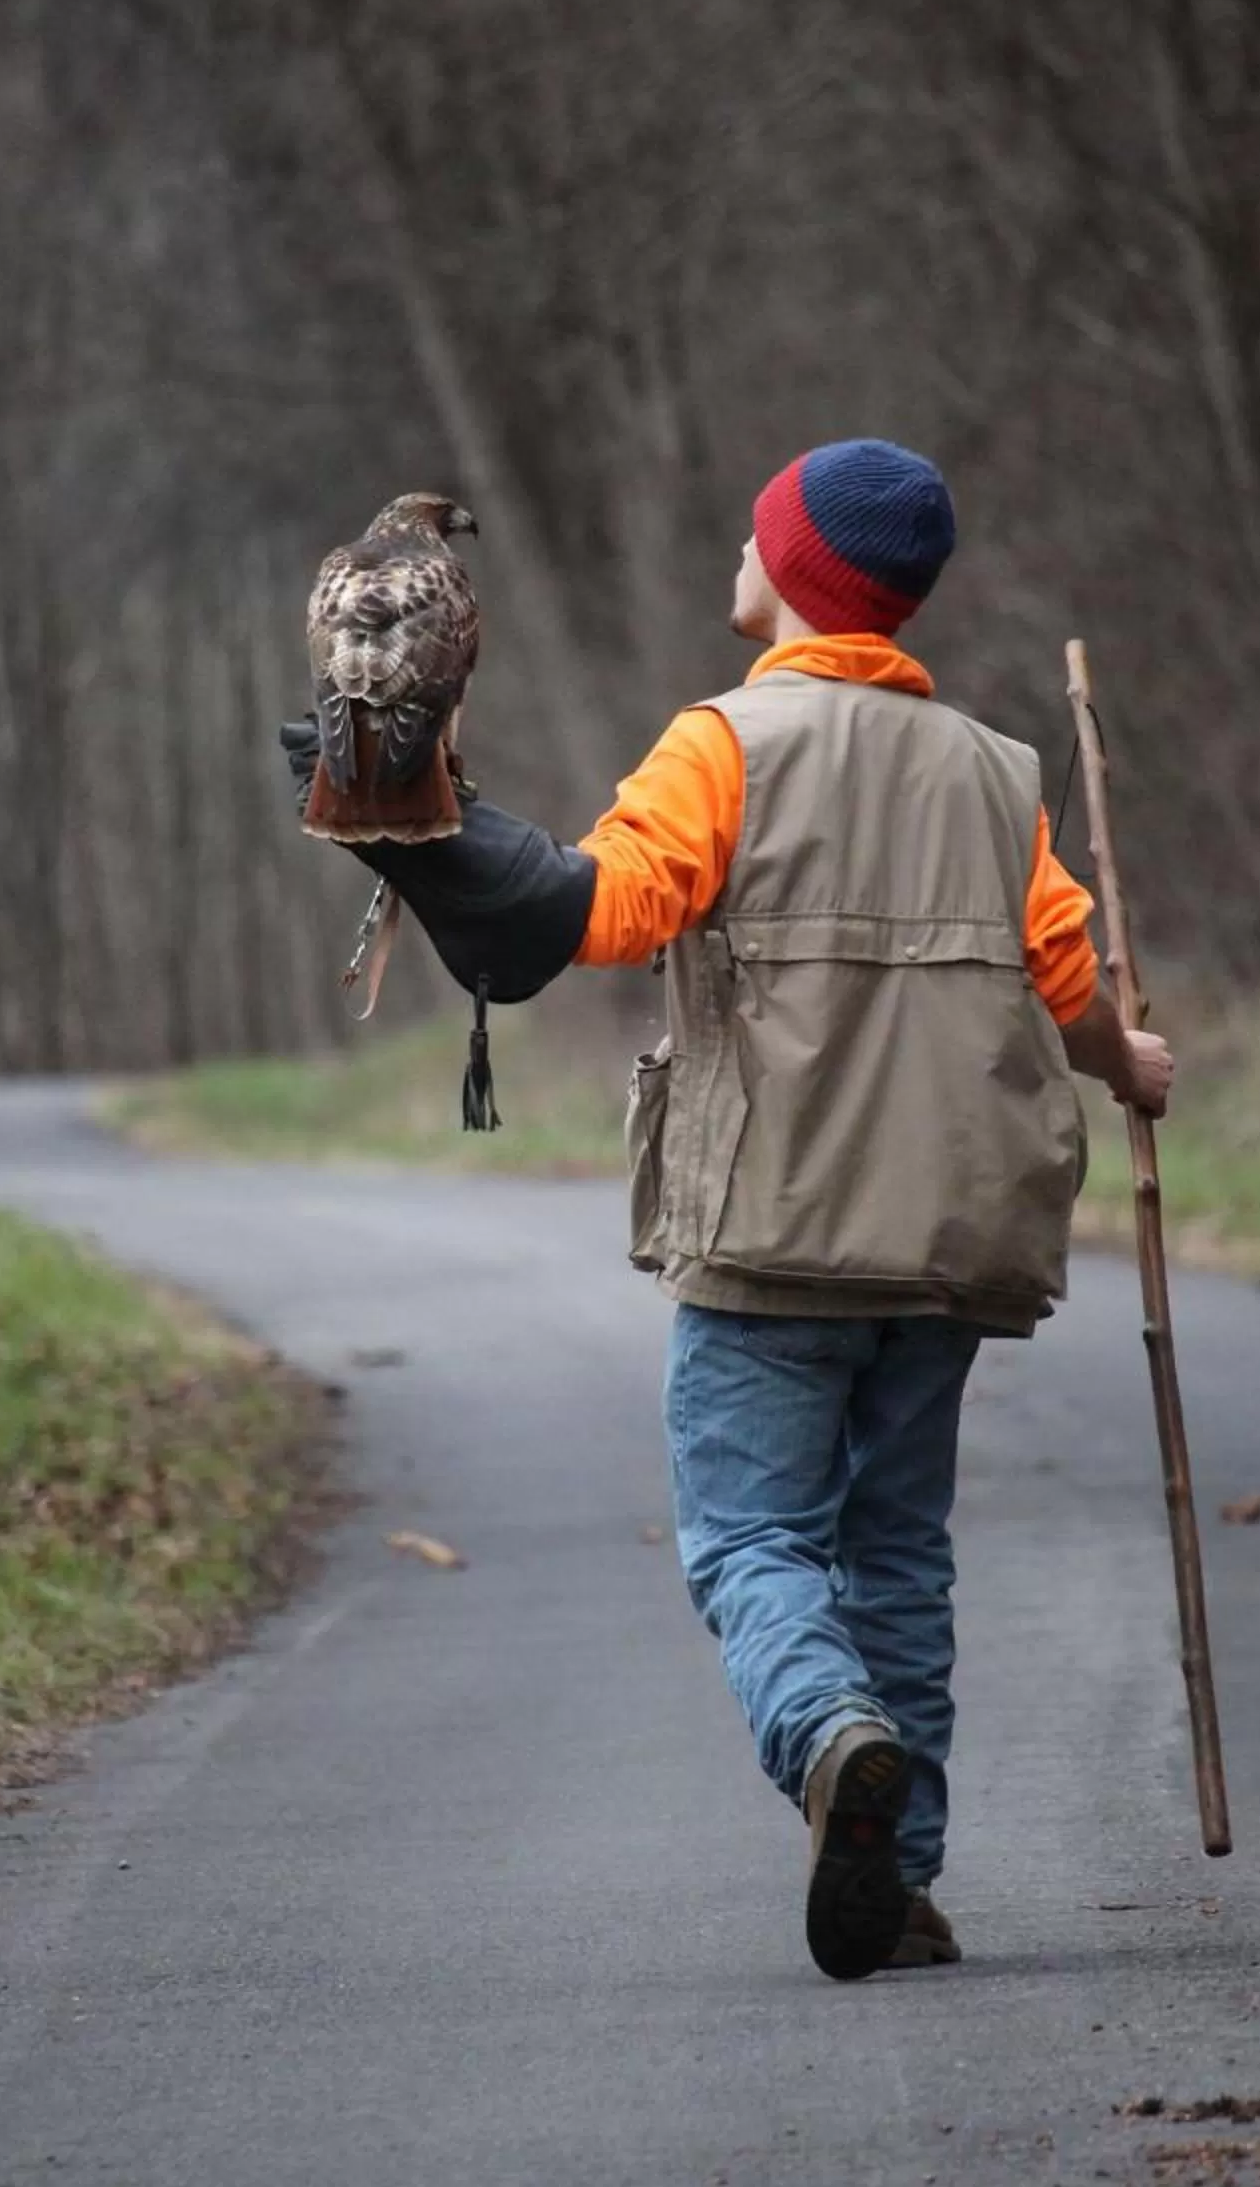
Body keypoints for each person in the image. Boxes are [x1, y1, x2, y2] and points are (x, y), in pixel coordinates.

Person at [281, 438, 1172, 1981]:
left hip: (769, 1240)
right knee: (897, 1553)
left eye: (761, 534)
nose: (740, 550)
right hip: (947, 1254)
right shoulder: (993, 770)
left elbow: (597, 915)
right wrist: (1126, 1062)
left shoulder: (726, 745)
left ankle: (829, 1735)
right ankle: (897, 1882)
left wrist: (421, 824)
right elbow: (1070, 986)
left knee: (753, 1537)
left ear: (791, 578)